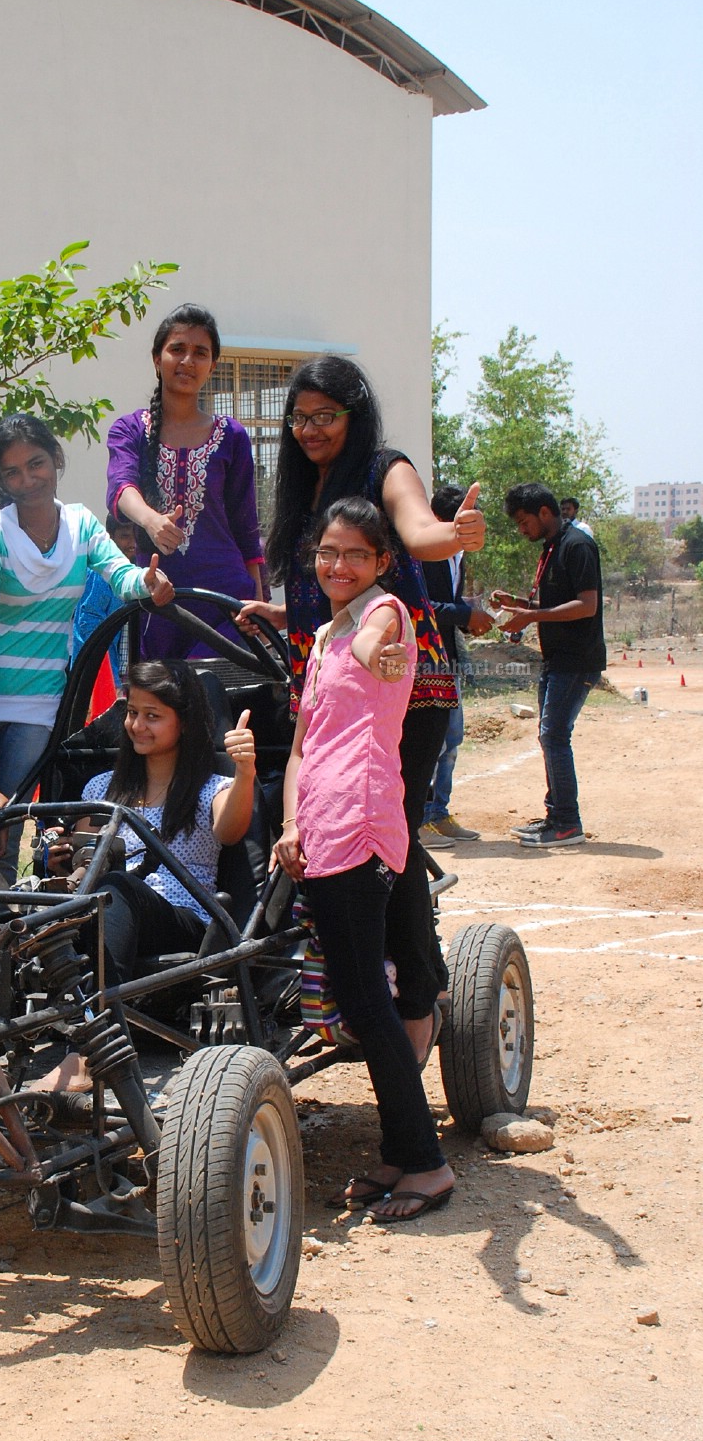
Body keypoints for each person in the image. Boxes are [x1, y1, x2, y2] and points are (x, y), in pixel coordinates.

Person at [238, 355, 486, 1063]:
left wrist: (453, 534)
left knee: (389, 847)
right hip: (327, 685)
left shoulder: (386, 465)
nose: (310, 429)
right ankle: (353, 978)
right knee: (329, 838)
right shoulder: (302, 484)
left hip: (404, 683)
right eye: (300, 417)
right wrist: (282, 608)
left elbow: (412, 533)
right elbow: (334, 582)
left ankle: (415, 992)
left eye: (325, 415)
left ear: (354, 414)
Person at [273, 498, 455, 1224]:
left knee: (367, 1006)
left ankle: (426, 1164)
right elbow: (299, 747)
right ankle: (398, 1151)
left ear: (382, 561)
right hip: (318, 828)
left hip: (363, 824)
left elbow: (371, 645)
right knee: (357, 1002)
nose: (336, 565)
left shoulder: (387, 617)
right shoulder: (320, 635)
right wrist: (289, 822)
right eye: (327, 552)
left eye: (354, 553)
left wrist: (368, 642)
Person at [0, 416, 172, 861]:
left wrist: (149, 582)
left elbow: (122, 576)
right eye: (12, 472)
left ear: (56, 461)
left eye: (36, 464)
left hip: (39, 705)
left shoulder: (82, 526)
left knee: (8, 820)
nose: (27, 479)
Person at [51, 659, 257, 982]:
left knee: (117, 887)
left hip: (183, 918)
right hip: (106, 909)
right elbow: (85, 860)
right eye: (133, 713)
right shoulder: (102, 788)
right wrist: (60, 861)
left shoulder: (211, 788)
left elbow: (230, 831)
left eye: (153, 716)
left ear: (184, 722)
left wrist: (245, 771)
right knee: (43, 905)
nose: (137, 725)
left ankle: (102, 1016)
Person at [105, 304, 266, 658]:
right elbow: (120, 488)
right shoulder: (130, 429)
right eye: (177, 349)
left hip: (226, 602)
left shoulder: (231, 435)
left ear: (213, 366)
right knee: (161, 707)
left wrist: (258, 604)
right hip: (159, 597)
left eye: (200, 353)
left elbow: (246, 530)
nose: (188, 361)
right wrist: (150, 520)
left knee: (216, 705)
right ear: (156, 358)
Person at [497, 483, 605, 847]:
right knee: (551, 737)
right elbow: (552, 601)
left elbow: (586, 605)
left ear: (545, 512)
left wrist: (530, 617)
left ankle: (566, 823)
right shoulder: (554, 547)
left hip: (577, 661)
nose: (522, 529)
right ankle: (554, 816)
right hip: (557, 659)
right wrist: (516, 603)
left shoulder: (577, 546)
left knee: (554, 736)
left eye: (524, 521)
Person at [418, 483, 496, 849]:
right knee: (426, 742)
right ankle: (417, 818)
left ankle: (438, 813)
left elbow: (445, 603)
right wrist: (465, 613)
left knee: (451, 739)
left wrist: (469, 615)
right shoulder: (424, 554)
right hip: (421, 662)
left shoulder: (457, 556)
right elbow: (420, 607)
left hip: (448, 658)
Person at [69, 511, 140, 684]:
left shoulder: (138, 571)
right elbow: (90, 626)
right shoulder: (101, 572)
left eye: (136, 536)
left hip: (127, 673)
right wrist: (110, 679)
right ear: (110, 538)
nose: (132, 543)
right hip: (101, 674)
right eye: (125, 536)